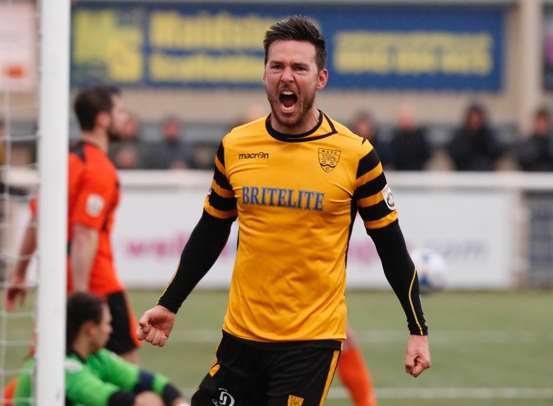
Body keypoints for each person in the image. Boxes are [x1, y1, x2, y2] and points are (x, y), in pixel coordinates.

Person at [138, 16, 431, 406]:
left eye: (299, 67)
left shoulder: (355, 155)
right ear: (264, 74)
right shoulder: (236, 146)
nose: (286, 76)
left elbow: (391, 247)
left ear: (321, 78)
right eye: (276, 66)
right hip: (240, 339)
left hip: (309, 345)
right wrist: (170, 302)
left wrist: (417, 328)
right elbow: (211, 231)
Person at [5, 86, 141, 362]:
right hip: (96, 286)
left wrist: (20, 272)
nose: (124, 117)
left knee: (47, 369)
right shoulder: (99, 168)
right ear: (103, 119)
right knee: (129, 378)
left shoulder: (65, 162)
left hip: (57, 285)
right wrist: (82, 299)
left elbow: (36, 220)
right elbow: (84, 234)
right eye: (119, 111)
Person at [12, 292, 189, 406]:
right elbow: (106, 397)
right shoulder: (59, 365)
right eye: (107, 324)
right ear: (90, 328)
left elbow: (151, 381)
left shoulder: (98, 357)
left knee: (151, 397)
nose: (110, 330)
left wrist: (179, 402)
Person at [446, 102, 503, 171]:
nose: (475, 120)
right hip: (463, 172)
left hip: (486, 173)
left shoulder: (488, 134)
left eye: (478, 118)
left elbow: (497, 151)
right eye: (472, 117)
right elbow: (454, 152)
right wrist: (470, 138)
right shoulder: (460, 134)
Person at [389, 104, 431, 171]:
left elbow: (426, 154)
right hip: (398, 173)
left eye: (407, 118)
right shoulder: (394, 138)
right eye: (403, 119)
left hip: (417, 173)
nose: (405, 121)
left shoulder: (420, 137)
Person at [517, 107, 553, 171]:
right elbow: (523, 159)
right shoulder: (527, 142)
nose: (541, 125)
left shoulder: (550, 142)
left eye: (544, 122)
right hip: (531, 178)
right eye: (539, 122)